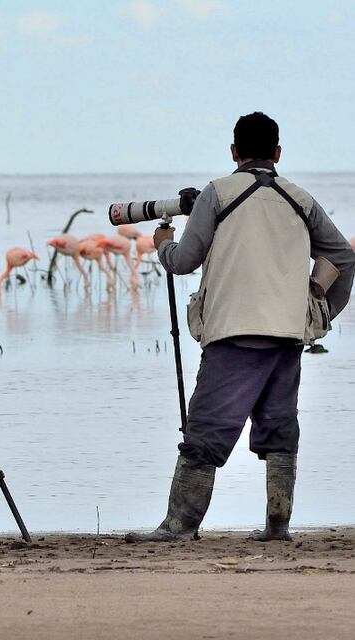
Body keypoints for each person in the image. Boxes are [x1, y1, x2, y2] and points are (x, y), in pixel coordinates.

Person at [126, 112, 355, 543]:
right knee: (279, 426)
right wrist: (319, 313)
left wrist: (162, 243)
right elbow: (343, 257)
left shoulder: (218, 193)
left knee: (207, 430)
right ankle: (277, 526)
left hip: (233, 332)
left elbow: (182, 262)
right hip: (287, 334)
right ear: (278, 153)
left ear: (234, 152)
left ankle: (180, 525)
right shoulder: (299, 198)